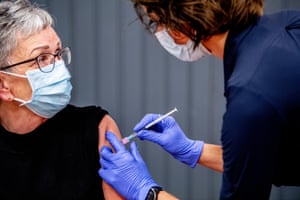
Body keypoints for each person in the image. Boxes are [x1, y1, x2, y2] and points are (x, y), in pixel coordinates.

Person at [99, 0, 300, 199]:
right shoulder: (290, 22)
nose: (160, 31)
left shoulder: (249, 97)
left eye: (156, 21)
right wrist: (195, 150)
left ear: (183, 23)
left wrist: (147, 192)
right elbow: (264, 158)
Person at [0, 0, 124, 199]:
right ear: (3, 85)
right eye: (41, 58)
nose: (58, 66)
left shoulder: (96, 128)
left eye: (57, 53)